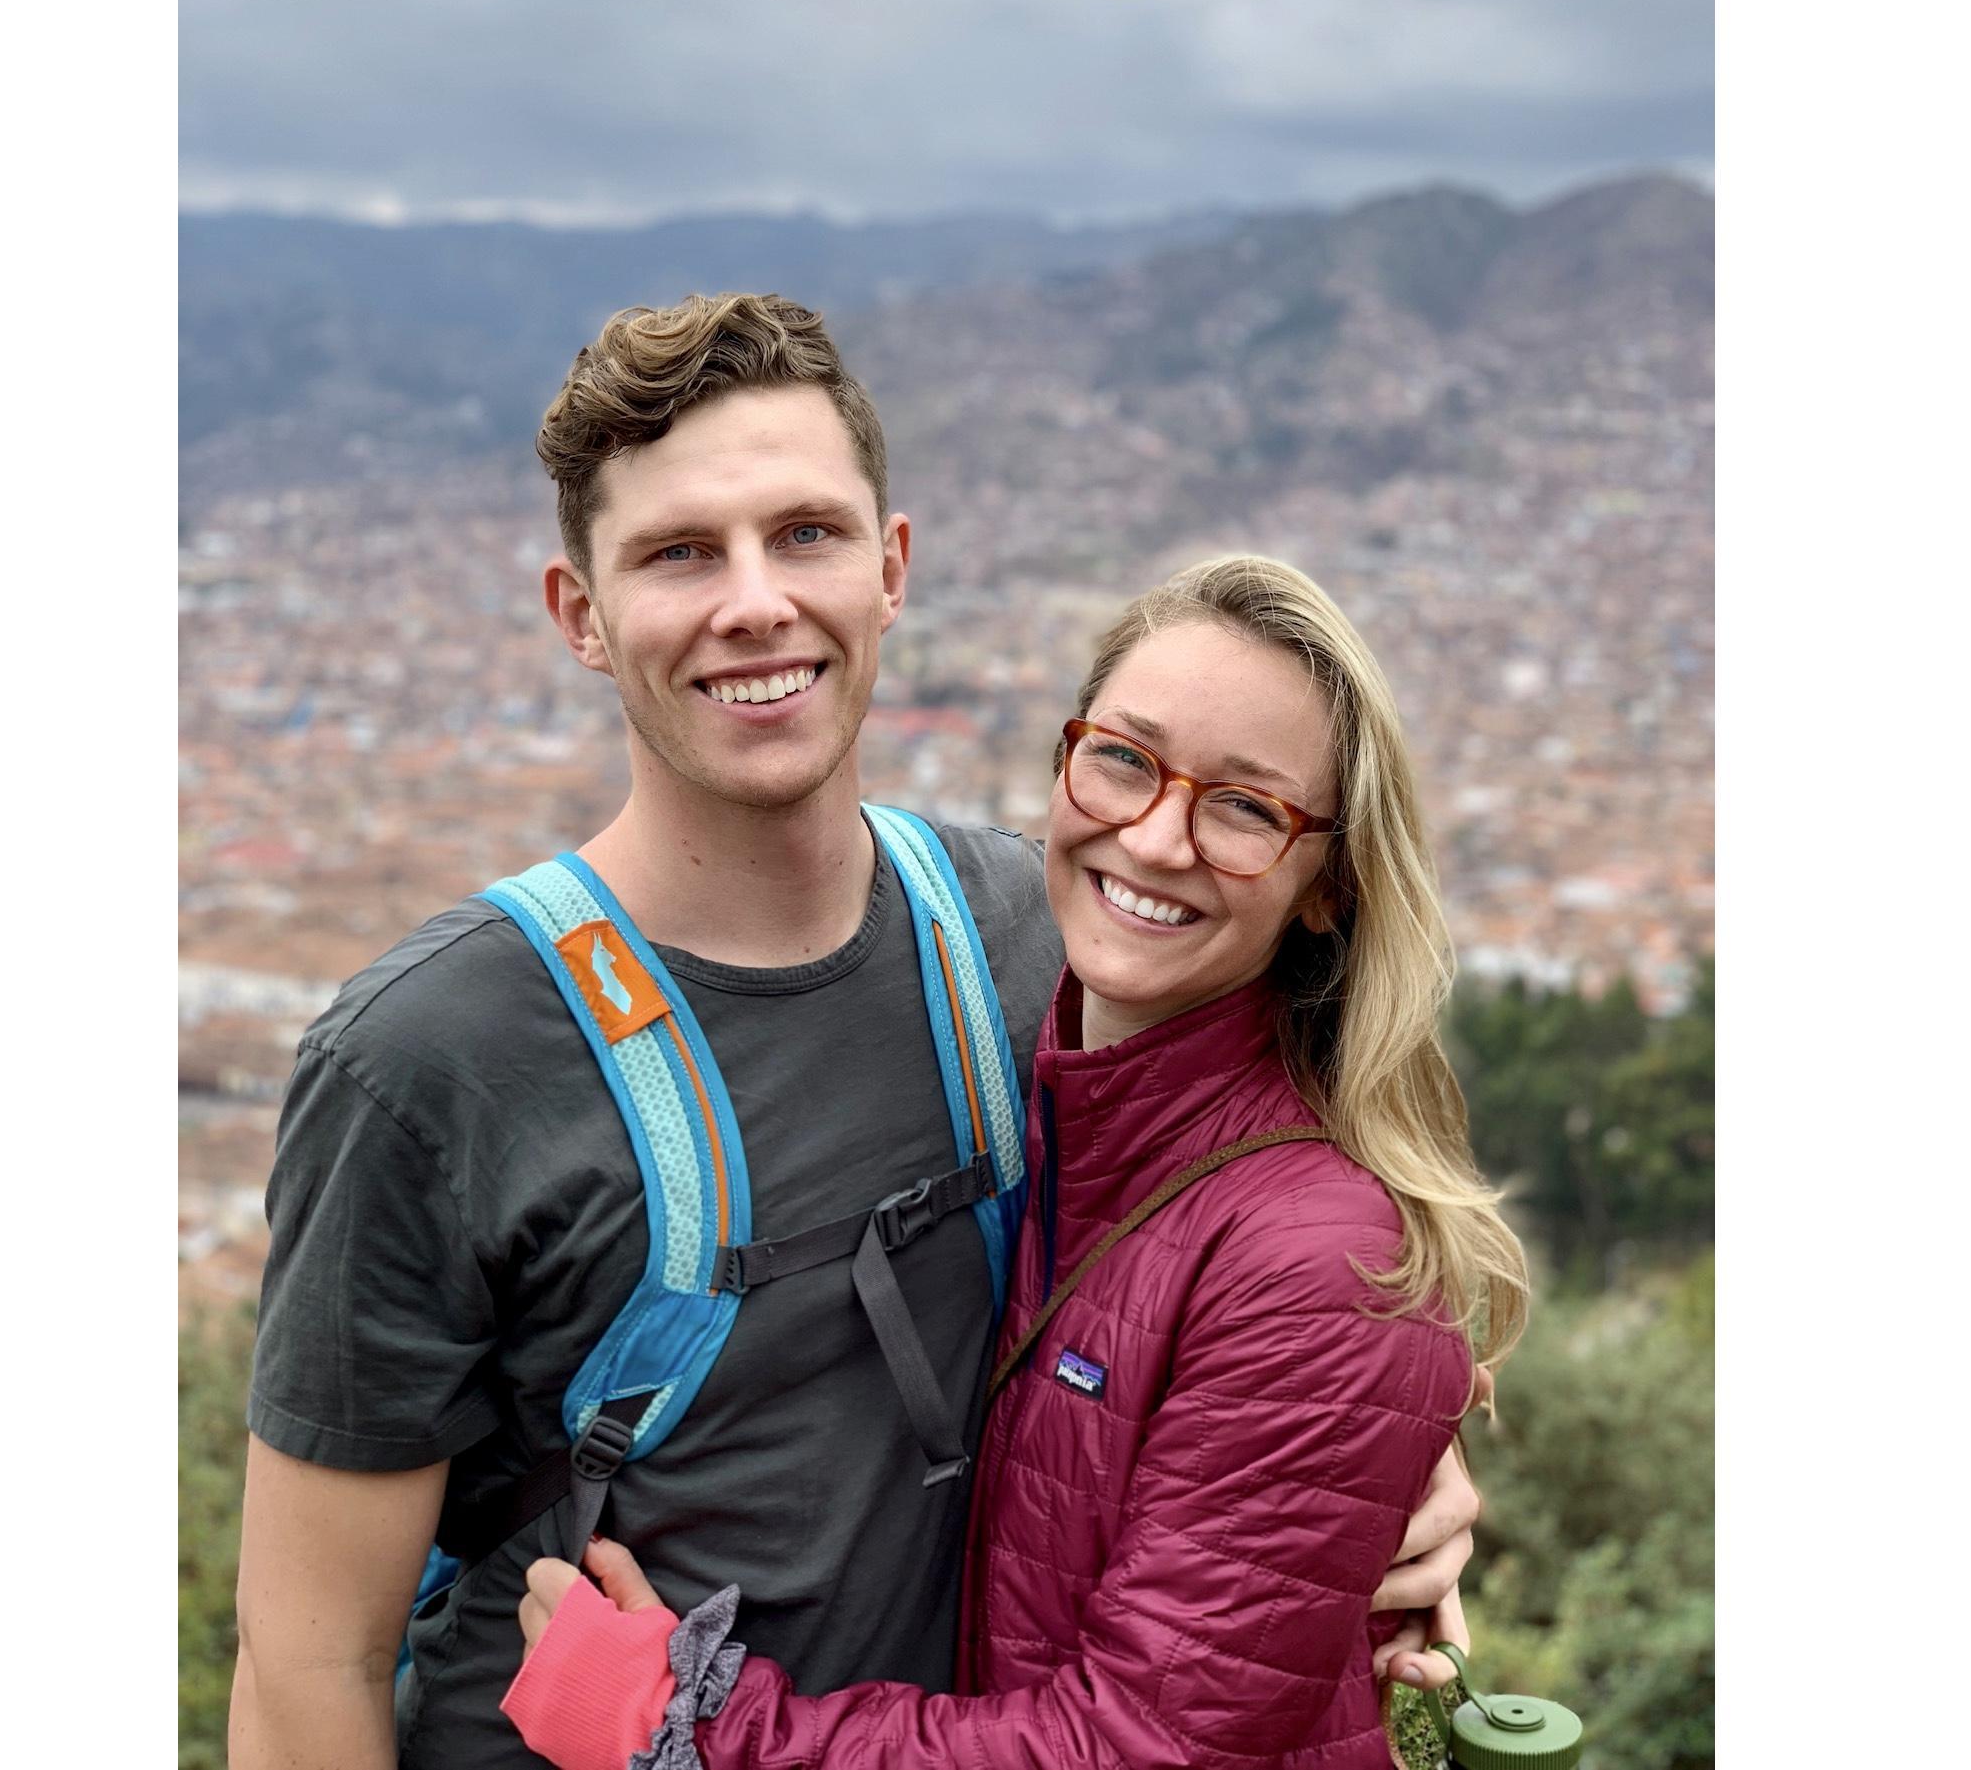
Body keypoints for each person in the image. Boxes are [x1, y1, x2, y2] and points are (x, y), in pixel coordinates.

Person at [228, 297, 1481, 1770]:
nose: (754, 600)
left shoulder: (1037, 932)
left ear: (889, 572)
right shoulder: (429, 1060)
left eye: (807, 533)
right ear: (579, 612)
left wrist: (1404, 1474)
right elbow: (311, 1659)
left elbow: (1259, 1236)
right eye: (680, 551)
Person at [503, 552, 1529, 1770]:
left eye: (1248, 810)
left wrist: (676, 1724)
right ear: (1066, 758)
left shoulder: (1321, 1262)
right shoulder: (1039, 1107)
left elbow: (1139, 1747)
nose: (1156, 836)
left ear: (1327, 889)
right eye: (1125, 759)